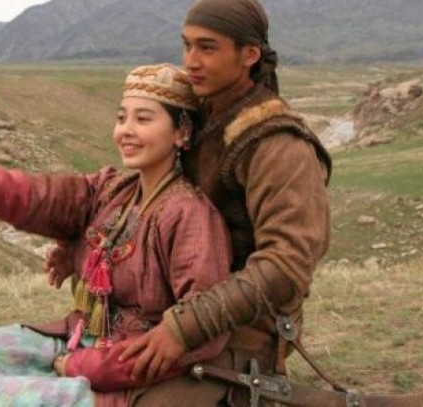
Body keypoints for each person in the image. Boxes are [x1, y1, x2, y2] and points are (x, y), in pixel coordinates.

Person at [0, 63, 233, 407]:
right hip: (77, 338)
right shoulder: (111, 190)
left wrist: (84, 366)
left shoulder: (190, 215)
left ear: (181, 131)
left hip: (124, 372)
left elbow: (200, 332)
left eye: (143, 119)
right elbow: (32, 196)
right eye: (121, 118)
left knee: (3, 401)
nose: (126, 130)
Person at [112, 0, 333, 405]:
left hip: (243, 335)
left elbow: (286, 267)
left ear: (249, 55)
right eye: (187, 45)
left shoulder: (279, 147)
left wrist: (185, 327)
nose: (190, 61)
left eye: (207, 48)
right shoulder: (199, 118)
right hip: (170, 309)